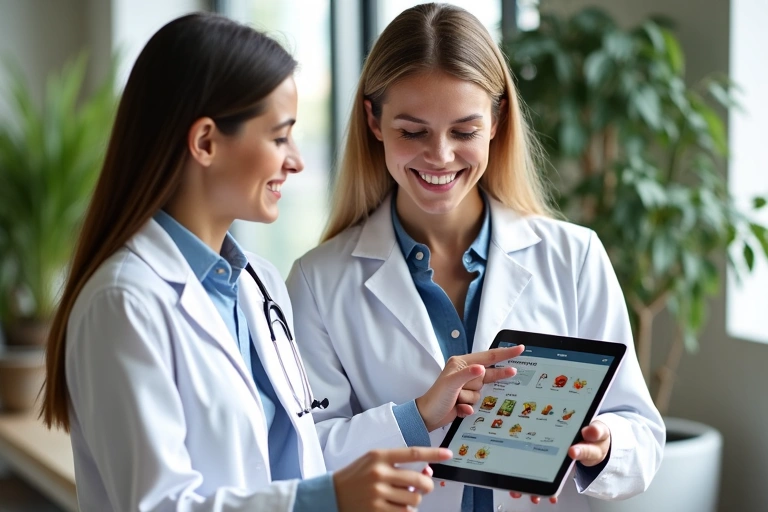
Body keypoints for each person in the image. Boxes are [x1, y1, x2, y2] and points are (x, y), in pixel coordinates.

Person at [39, 12, 526, 512]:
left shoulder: (257, 284)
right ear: (205, 142)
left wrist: (418, 415)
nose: (296, 160)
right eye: (279, 137)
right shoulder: (124, 301)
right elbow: (156, 505)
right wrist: (325, 498)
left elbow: (296, 458)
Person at [286, 4, 665, 512]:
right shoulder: (318, 280)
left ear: (496, 120)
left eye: (463, 131)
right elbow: (304, 457)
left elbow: (641, 431)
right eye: (412, 131)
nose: (440, 156)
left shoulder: (573, 257)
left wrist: (605, 444)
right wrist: (417, 416)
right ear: (374, 121)